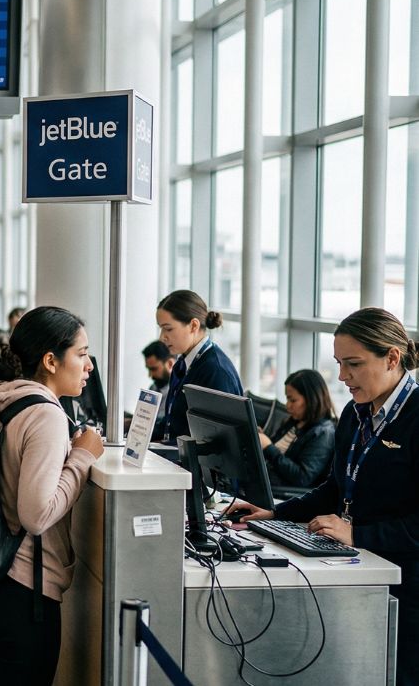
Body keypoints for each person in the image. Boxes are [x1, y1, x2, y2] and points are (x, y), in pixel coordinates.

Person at [230, 308, 419, 686]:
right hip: (361, 575)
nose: (342, 376)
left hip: (408, 589)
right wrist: (274, 514)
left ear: (392, 358)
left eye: (353, 364)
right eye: (339, 363)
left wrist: (358, 534)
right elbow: (335, 488)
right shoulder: (355, 412)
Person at [0, 307, 104, 684]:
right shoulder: (45, 415)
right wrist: (84, 456)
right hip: (22, 588)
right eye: (83, 353)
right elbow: (36, 515)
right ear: (51, 361)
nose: (89, 366)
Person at [152, 289, 242, 443]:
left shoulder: (215, 371)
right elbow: (173, 424)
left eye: (168, 329)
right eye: (161, 328)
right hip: (177, 458)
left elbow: (216, 443)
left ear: (193, 326)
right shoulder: (182, 364)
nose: (162, 337)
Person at [254, 369, 337, 489]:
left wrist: (268, 447)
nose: (287, 405)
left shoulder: (323, 433)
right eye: (287, 399)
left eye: (293, 400)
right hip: (267, 483)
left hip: (281, 493)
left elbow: (302, 478)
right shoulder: (293, 422)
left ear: (311, 399)